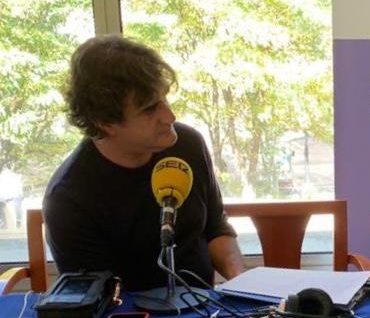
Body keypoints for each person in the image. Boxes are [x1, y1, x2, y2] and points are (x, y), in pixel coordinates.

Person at [43, 35, 246, 292]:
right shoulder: (69, 198)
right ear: (105, 122)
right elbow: (95, 301)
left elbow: (215, 227)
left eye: (164, 98)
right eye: (150, 109)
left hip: (206, 313)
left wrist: (242, 284)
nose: (169, 116)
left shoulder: (188, 145)